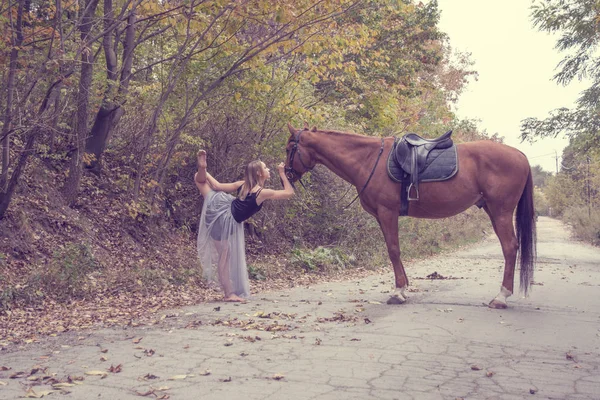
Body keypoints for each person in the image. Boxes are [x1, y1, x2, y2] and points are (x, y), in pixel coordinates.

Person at [194, 150, 294, 302]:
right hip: (226, 218)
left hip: (219, 208)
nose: (268, 170)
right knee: (224, 257)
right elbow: (289, 193)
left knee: (201, 183)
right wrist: (282, 173)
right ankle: (229, 294)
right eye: (266, 168)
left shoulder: (243, 184)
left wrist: (205, 171)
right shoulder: (262, 192)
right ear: (260, 173)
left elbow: (217, 185)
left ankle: (202, 168)